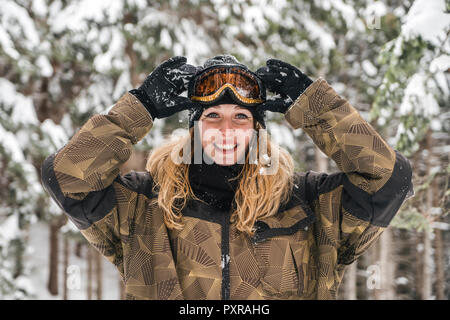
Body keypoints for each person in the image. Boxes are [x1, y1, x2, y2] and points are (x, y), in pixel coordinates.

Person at [41, 54, 413, 300]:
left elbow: (386, 178)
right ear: (193, 127)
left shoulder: (307, 203)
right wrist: (141, 107)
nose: (226, 130)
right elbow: (68, 177)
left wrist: (315, 107)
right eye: (212, 117)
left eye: (241, 118)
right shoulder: (144, 205)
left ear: (257, 130)